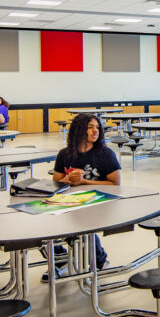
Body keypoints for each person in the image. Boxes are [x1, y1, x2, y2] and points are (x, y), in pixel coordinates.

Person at [52, 114, 121, 269]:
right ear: (78, 130)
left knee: (82, 222)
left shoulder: (106, 154)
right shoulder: (65, 154)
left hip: (99, 201)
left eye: (97, 127)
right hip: (70, 201)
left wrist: (84, 182)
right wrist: (68, 179)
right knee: (46, 222)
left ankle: (99, 261)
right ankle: (59, 259)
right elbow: (56, 182)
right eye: (90, 127)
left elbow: (116, 184)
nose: (95, 131)